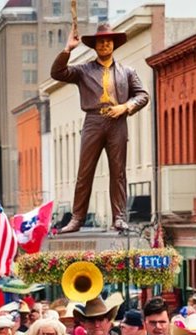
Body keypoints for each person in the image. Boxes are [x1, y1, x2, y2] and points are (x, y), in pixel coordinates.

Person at [50, 22, 149, 233]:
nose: (104, 44)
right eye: (100, 41)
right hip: (93, 121)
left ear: (113, 44)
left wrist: (126, 107)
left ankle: (119, 218)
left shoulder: (127, 71)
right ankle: (77, 218)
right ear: (95, 46)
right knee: (85, 171)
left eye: (108, 41)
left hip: (118, 123)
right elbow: (57, 72)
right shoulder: (83, 70)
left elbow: (143, 95)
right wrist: (67, 49)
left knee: (118, 171)